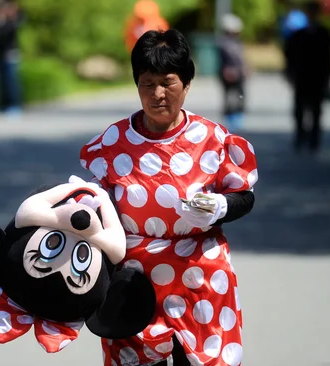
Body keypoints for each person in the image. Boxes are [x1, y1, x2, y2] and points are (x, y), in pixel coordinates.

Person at [79, 29, 258, 366]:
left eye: (168, 82)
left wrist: (219, 208)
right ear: (137, 85)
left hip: (199, 277)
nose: (158, 94)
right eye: (148, 83)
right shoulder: (113, 142)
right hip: (134, 280)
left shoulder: (212, 139)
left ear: (187, 83)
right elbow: (97, 198)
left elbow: (244, 196)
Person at [284, 0, 330, 153]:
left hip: (317, 77)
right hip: (301, 77)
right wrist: (290, 73)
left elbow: (328, 58)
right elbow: (289, 55)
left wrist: (327, 77)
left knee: (316, 110)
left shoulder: (324, 34)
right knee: (299, 109)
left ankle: (314, 139)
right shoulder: (298, 36)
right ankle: (300, 136)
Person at [0, 0, 25, 115]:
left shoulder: (13, 22)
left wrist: (6, 18)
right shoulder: (1, 22)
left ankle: (15, 105)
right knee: (1, 82)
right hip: (0, 55)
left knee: (11, 82)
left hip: (10, 55)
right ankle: (3, 105)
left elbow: (8, 30)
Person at [215, 14, 250, 132]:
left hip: (238, 74)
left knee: (240, 95)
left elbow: (241, 58)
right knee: (230, 97)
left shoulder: (236, 42)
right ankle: (230, 119)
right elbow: (231, 58)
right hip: (228, 73)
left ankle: (237, 117)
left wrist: (244, 67)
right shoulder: (224, 43)